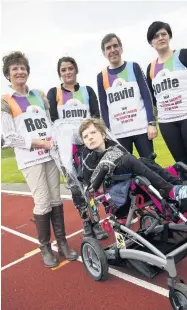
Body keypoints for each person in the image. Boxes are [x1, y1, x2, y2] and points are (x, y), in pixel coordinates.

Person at [1, 51, 78, 268]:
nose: (19, 71)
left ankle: (62, 242)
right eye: (14, 68)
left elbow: (49, 123)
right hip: (30, 159)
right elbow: (10, 137)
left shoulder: (39, 95)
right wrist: (40, 143)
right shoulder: (6, 101)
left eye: (22, 67)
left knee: (56, 199)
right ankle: (45, 246)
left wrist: (54, 140)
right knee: (43, 201)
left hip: (50, 155)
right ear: (8, 74)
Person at [47, 56, 108, 240]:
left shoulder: (88, 91)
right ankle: (86, 222)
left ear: (76, 70)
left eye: (70, 68)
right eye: (63, 70)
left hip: (86, 147)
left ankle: (96, 222)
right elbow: (52, 121)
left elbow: (96, 117)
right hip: (67, 151)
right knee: (75, 188)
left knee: (90, 186)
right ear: (59, 73)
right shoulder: (54, 93)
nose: (67, 72)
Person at [78, 118, 187, 208]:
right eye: (85, 136)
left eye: (93, 132)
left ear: (103, 134)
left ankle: (179, 185)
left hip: (121, 178)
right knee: (129, 159)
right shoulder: (87, 158)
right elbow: (92, 185)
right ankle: (172, 192)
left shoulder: (115, 147)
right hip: (109, 186)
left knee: (143, 160)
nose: (90, 137)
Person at [146, 21, 187, 174]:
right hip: (168, 122)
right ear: (151, 42)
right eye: (156, 36)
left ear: (169, 36)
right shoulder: (151, 68)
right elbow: (153, 98)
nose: (161, 38)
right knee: (183, 166)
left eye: (164, 34)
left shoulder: (184, 55)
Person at [97, 33, 157, 156]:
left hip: (141, 129)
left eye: (115, 46)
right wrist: (107, 134)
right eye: (108, 48)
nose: (112, 50)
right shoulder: (101, 76)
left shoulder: (134, 67)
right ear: (104, 53)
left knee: (150, 165)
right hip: (119, 133)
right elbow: (103, 108)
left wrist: (151, 123)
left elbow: (147, 96)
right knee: (124, 169)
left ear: (121, 48)